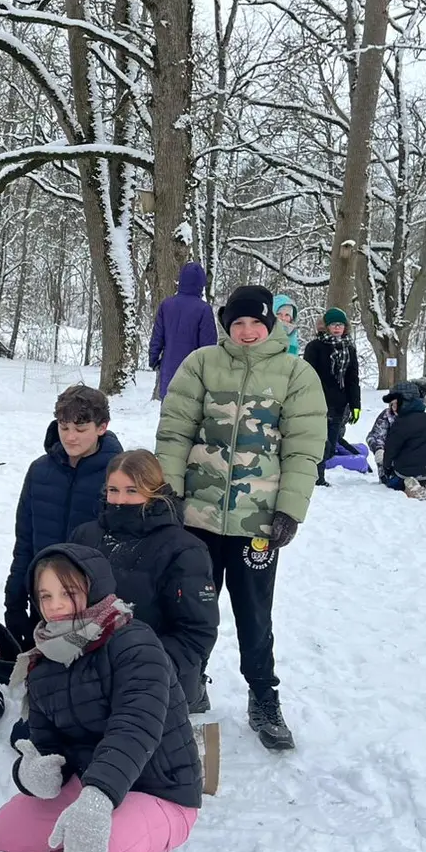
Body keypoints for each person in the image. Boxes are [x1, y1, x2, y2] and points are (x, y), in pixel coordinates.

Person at [0, 545, 201, 852]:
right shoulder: (44, 663)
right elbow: (48, 744)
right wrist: (35, 774)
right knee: (3, 836)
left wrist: (98, 798)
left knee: (107, 848)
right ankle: (85, 834)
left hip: (161, 790)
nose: (55, 605)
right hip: (89, 788)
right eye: (45, 596)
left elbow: (135, 727)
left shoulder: (135, 643)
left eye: (67, 592)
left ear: (93, 588)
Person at [155, 284, 326, 751]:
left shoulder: (296, 374)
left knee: (254, 613)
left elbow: (304, 448)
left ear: (270, 324)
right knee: (191, 607)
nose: (247, 331)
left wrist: (289, 509)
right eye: (238, 323)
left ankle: (263, 696)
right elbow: (175, 432)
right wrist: (170, 492)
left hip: (258, 523)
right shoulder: (201, 364)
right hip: (197, 517)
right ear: (226, 324)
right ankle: (188, 683)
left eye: (255, 322)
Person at [68, 451, 218, 711]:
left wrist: (144, 667)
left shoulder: (184, 550)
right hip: (90, 668)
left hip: (155, 676)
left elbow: (197, 632)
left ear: (153, 492)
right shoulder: (85, 536)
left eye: (132, 491)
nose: (120, 500)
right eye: (113, 490)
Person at [4, 384, 124, 648]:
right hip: (46, 604)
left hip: (95, 609)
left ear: (102, 427)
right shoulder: (39, 471)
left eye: (80, 429)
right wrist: (14, 600)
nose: (70, 437)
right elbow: (24, 540)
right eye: (64, 427)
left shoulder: (118, 476)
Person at [303, 307, 362, 487]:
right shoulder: (315, 347)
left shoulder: (349, 349)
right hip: (317, 402)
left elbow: (352, 379)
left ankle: (315, 473)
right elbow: (307, 376)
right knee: (321, 444)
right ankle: (317, 478)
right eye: (333, 325)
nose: (337, 328)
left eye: (340, 325)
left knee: (330, 446)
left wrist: (355, 405)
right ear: (326, 327)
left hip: (338, 405)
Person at [150, 262, 218, 399]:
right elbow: (208, 346)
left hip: (168, 370)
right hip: (193, 375)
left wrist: (154, 359)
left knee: (168, 406)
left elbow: (157, 336)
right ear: (201, 283)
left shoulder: (166, 305)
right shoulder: (204, 309)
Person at [381, 381, 426, 499]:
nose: (393, 408)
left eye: (395, 404)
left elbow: (391, 449)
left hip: (408, 471)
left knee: (391, 481)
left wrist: (386, 467)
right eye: (391, 405)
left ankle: (411, 484)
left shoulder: (400, 424)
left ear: (405, 402)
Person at [367, 402, 396, 485]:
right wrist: (378, 449)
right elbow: (375, 436)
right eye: (393, 403)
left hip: (418, 467)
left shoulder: (419, 417)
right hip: (391, 470)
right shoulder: (387, 415)